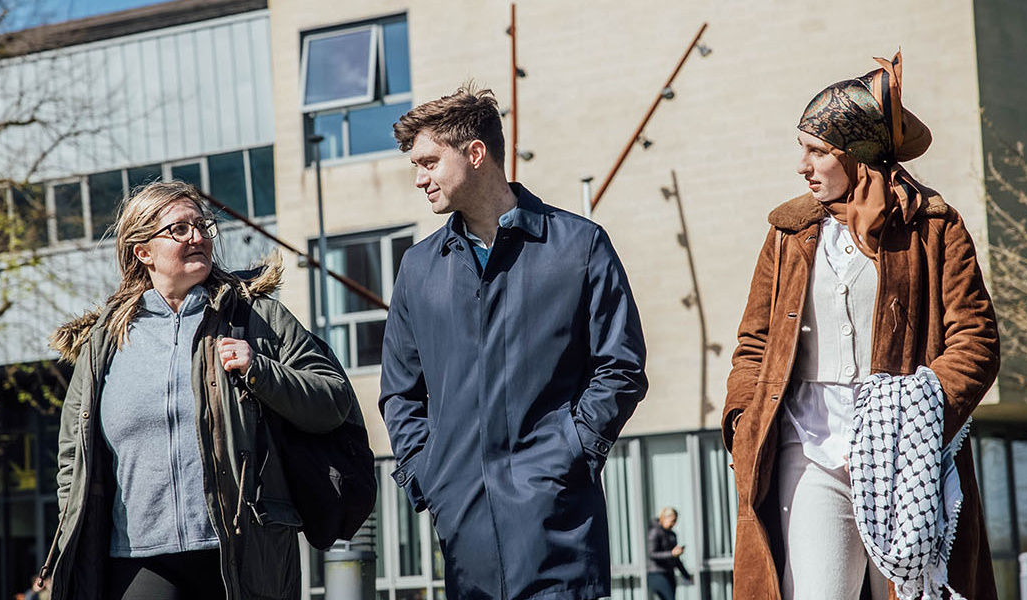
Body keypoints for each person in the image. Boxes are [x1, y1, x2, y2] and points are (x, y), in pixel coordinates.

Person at [723, 53, 1000, 600]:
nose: (802, 165)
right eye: (801, 148)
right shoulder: (788, 233)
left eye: (817, 150)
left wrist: (913, 416)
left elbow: (976, 341)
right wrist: (741, 418)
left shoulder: (936, 230)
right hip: (808, 450)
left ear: (857, 156)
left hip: (907, 461)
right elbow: (753, 343)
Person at [379, 85, 648, 600]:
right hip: (462, 526)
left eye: (430, 162)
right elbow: (400, 393)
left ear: (475, 153)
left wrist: (569, 454)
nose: (420, 179)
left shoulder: (578, 245)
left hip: (559, 524)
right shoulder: (418, 269)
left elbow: (621, 366)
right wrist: (429, 476)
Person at [36, 180, 360, 600]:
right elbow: (72, 453)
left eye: (203, 226)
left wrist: (259, 370)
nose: (198, 237)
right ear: (143, 251)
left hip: (241, 550)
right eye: (179, 229)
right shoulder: (105, 341)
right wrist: (74, 519)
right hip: (136, 557)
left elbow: (333, 400)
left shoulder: (257, 316)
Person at [646, 507, 693, 600]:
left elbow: (676, 559)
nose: (674, 524)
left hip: (669, 573)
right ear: (664, 518)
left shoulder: (672, 535)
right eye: (672, 521)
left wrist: (686, 575)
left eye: (675, 521)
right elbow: (652, 554)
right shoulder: (654, 532)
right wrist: (671, 554)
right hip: (657, 574)